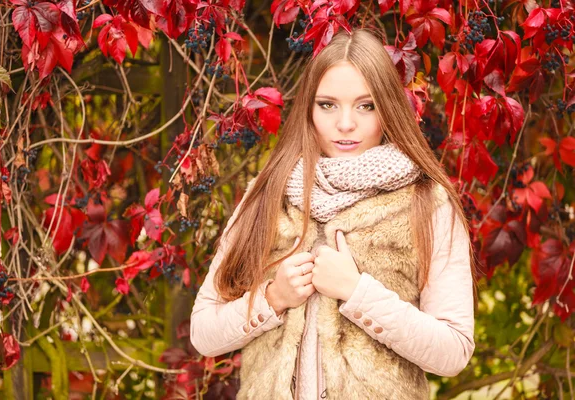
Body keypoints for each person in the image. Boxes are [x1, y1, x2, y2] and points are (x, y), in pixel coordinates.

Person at [190, 27, 476, 399]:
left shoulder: (428, 204)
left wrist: (357, 292)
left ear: (387, 108)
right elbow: (204, 333)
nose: (345, 124)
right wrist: (273, 298)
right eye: (327, 104)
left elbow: (452, 352)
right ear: (308, 108)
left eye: (365, 105)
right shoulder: (266, 196)